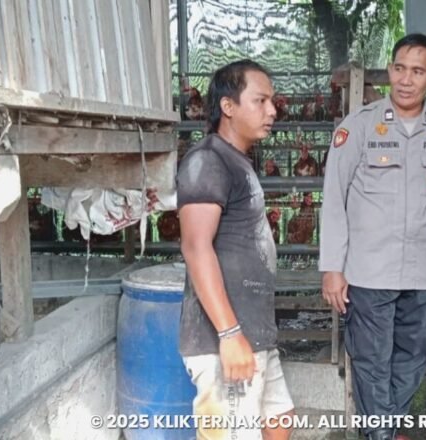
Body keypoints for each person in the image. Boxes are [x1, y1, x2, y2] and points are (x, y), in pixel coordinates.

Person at [319, 34, 426, 440]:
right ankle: (383, 434)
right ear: (390, 70)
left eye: (417, 71)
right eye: (399, 69)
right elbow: (333, 201)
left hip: (422, 274)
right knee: (372, 361)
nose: (405, 80)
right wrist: (332, 269)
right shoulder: (357, 128)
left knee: (415, 357)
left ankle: (383, 429)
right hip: (368, 272)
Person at [176, 59, 294, 440]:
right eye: (260, 101)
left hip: (253, 334)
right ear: (228, 107)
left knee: (279, 420)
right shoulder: (207, 160)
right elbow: (196, 247)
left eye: (271, 102)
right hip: (223, 340)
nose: (272, 111)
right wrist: (229, 334)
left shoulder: (238, 161)